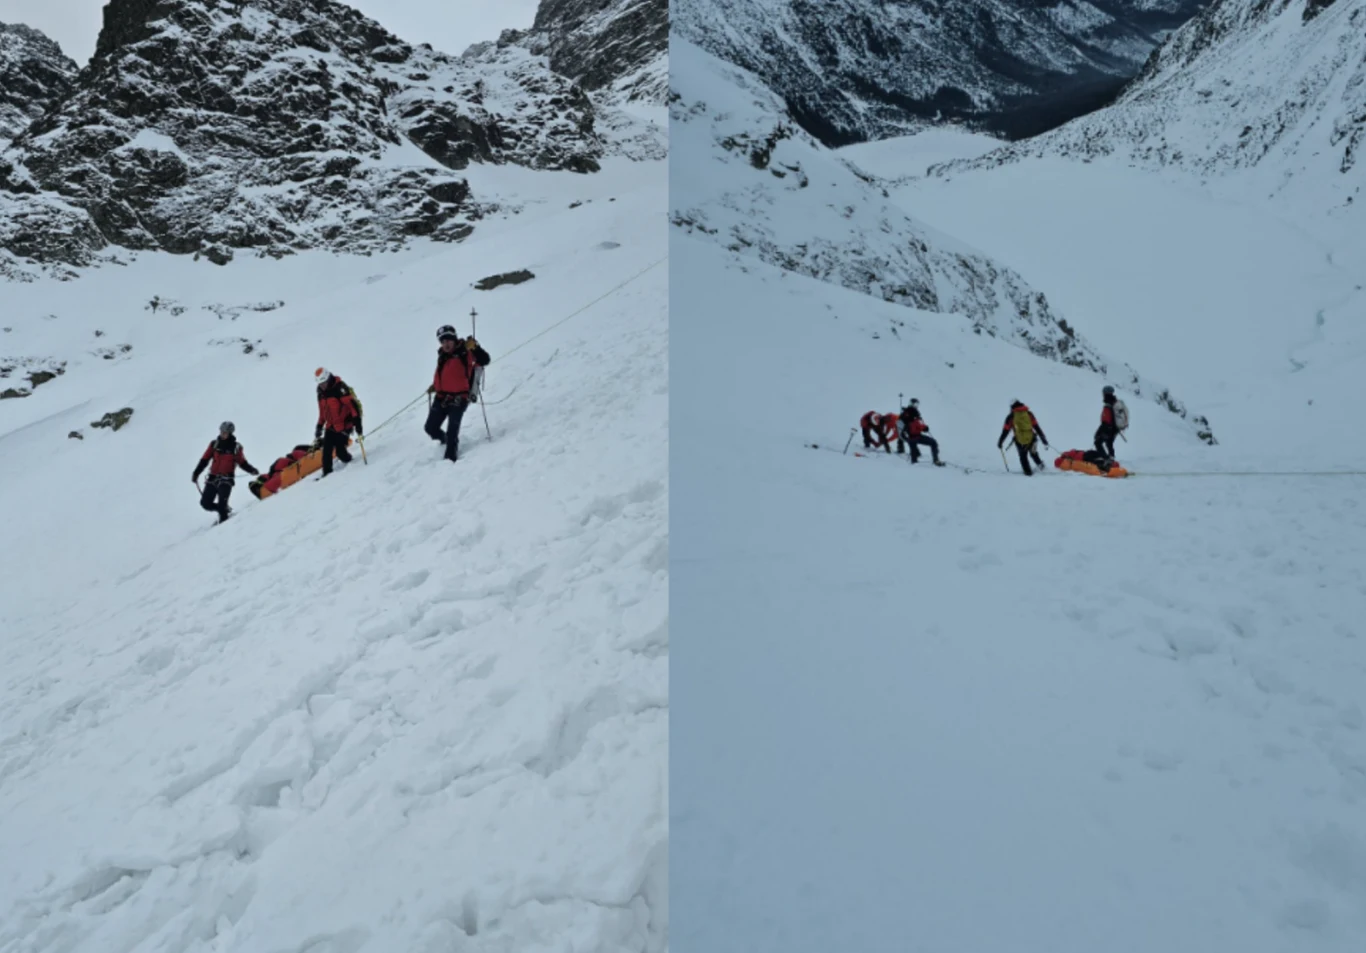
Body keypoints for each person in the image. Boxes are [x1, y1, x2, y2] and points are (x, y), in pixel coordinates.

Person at [426, 325, 491, 463]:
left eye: (448, 340)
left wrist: (476, 348)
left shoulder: (465, 351)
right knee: (430, 428)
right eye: (442, 342)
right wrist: (436, 386)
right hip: (442, 397)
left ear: (454, 339)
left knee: (452, 432)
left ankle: (450, 461)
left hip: (459, 398)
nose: (445, 344)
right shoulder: (442, 355)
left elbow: (485, 360)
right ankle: (444, 440)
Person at [192, 421, 259, 523]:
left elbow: (242, 462)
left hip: (226, 479)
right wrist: (196, 473)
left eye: (225, 432)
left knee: (222, 506)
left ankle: (223, 527)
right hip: (212, 478)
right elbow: (204, 460)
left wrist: (252, 470)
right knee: (205, 504)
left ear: (230, 433)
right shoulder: (214, 444)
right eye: (221, 432)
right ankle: (223, 510)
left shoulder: (236, 448)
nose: (222, 434)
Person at [314, 367, 361, 477]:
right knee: (326, 452)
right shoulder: (320, 393)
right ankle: (327, 475)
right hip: (331, 426)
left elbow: (352, 406)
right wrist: (319, 426)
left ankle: (351, 463)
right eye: (320, 383)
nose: (322, 386)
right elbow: (322, 412)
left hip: (344, 425)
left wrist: (357, 423)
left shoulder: (339, 388)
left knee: (340, 453)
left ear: (328, 379)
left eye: (324, 382)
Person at [997, 400, 1049, 475]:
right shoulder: (1029, 414)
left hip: (1019, 441)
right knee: (1034, 454)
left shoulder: (1011, 417)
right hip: (1032, 438)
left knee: (1023, 456)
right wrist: (1043, 438)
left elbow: (1005, 431)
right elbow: (1036, 426)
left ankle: (1028, 472)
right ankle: (1042, 467)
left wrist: (1000, 441)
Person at [898, 399, 945, 466]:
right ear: (911, 404)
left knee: (915, 457)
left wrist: (924, 427)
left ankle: (916, 464)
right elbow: (914, 425)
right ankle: (935, 460)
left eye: (917, 404)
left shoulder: (908, 413)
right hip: (913, 436)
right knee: (933, 442)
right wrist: (924, 428)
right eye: (915, 404)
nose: (916, 406)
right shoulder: (911, 413)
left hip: (911, 437)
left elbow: (918, 424)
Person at [1095, 385, 1128, 458]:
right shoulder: (1115, 402)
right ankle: (1111, 457)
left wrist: (1101, 430)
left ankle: (1105, 459)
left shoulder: (1108, 404)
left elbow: (1106, 419)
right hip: (1115, 428)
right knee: (1109, 443)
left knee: (1097, 442)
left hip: (1108, 427)